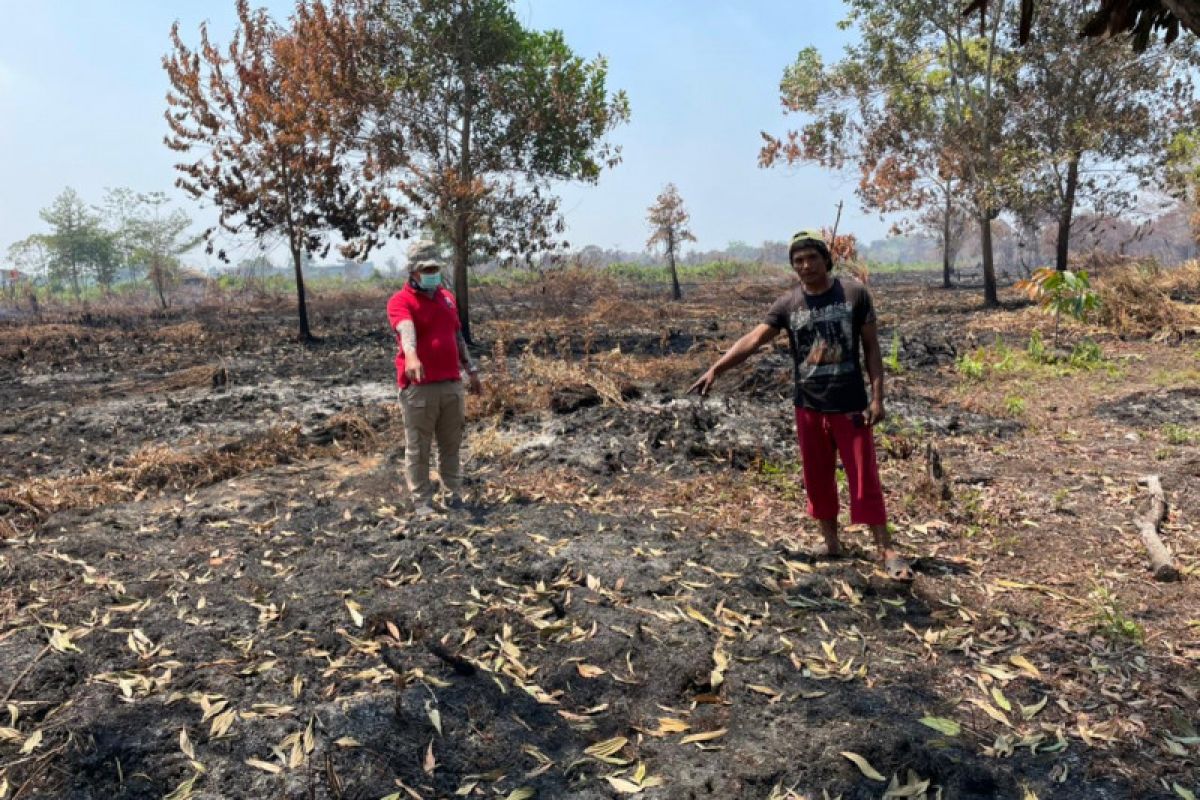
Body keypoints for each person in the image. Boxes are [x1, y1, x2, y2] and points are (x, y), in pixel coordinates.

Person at [688, 229, 913, 580]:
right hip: (808, 406)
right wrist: (716, 368)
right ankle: (831, 543)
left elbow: (871, 348)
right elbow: (754, 338)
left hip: (851, 405)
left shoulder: (854, 294)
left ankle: (886, 549)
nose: (806, 266)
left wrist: (877, 397)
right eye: (798, 261)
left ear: (826, 259)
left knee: (864, 477)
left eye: (811, 258)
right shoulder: (788, 304)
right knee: (817, 477)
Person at [387, 240, 483, 518]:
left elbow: (457, 337)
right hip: (420, 389)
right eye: (426, 269)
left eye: (435, 268)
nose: (432, 273)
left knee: (451, 445)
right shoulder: (400, 301)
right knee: (419, 446)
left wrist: (471, 371)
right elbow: (406, 329)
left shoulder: (447, 298)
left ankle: (452, 495)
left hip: (451, 384)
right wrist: (412, 355)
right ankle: (421, 502)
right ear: (413, 273)